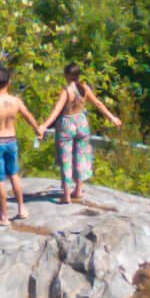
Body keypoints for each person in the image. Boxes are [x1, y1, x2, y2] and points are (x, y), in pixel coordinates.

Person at [39, 62, 122, 205]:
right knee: (81, 156)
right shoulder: (84, 88)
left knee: (66, 159)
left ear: (66, 75)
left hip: (67, 124)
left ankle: (66, 195)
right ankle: (78, 189)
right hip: (82, 123)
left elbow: (56, 111)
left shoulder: (66, 91)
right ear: (79, 75)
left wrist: (44, 126)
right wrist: (112, 118)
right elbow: (98, 104)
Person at [0, 62, 42, 225]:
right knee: (13, 175)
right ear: (9, 82)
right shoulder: (16, 101)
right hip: (11, 141)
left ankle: (4, 216)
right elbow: (28, 115)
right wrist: (37, 129)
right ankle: (21, 208)